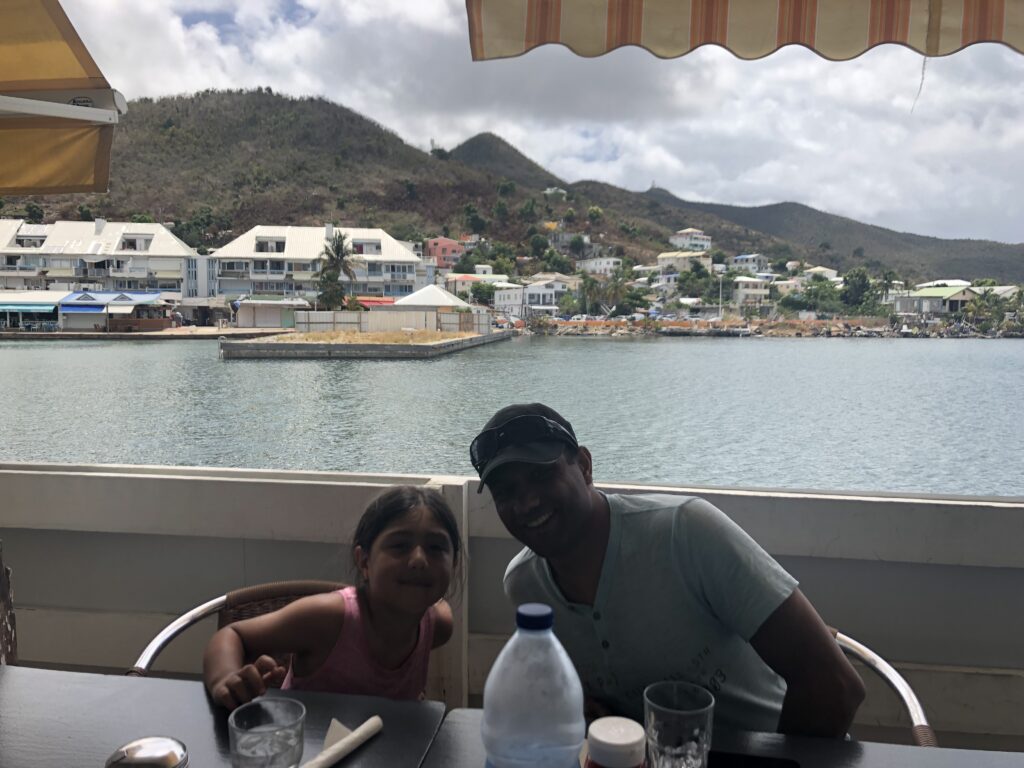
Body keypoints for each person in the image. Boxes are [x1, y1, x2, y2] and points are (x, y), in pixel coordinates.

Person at [470, 403, 865, 738]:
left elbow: (835, 686)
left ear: (585, 466)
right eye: (506, 491)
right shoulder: (524, 586)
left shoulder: (685, 532)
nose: (526, 503)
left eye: (542, 475)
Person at [203, 485, 460, 709]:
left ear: (454, 564)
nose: (418, 560)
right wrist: (224, 679)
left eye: (436, 548)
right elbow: (232, 634)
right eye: (399, 546)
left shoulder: (437, 625)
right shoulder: (329, 619)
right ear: (364, 562)